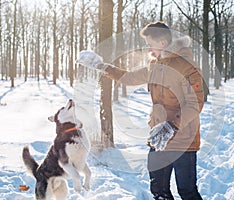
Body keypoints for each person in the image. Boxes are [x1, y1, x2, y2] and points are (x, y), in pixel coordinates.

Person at [77, 21, 204, 200]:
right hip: (159, 138)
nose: (148, 50)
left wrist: (172, 125)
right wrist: (103, 67)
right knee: (159, 191)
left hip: (183, 139)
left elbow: (195, 103)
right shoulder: (155, 65)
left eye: (150, 44)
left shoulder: (187, 67)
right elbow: (130, 77)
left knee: (187, 191)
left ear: (162, 43)